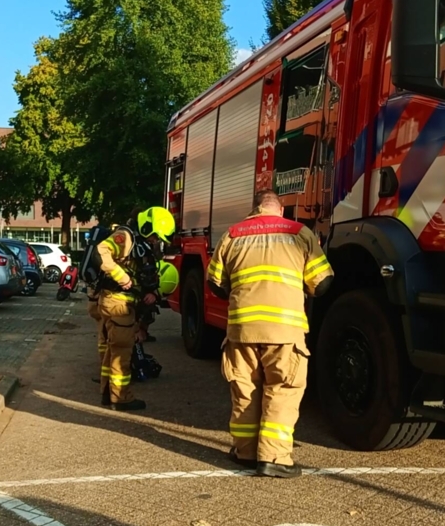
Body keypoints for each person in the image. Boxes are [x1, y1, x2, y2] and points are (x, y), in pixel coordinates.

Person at [207, 190, 334, 478]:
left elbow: (214, 283)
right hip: (284, 330)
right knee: (282, 391)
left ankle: (245, 453)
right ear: (280, 210)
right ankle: (274, 458)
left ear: (255, 209)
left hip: (242, 330)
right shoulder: (299, 232)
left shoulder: (233, 234)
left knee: (245, 390)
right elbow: (323, 283)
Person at [96, 207, 176, 410]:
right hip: (118, 303)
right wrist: (122, 278)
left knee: (112, 350)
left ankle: (107, 392)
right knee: (122, 352)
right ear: (147, 227)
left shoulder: (137, 241)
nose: (155, 241)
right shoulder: (125, 237)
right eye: (155, 237)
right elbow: (102, 251)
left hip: (118, 301)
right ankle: (121, 398)